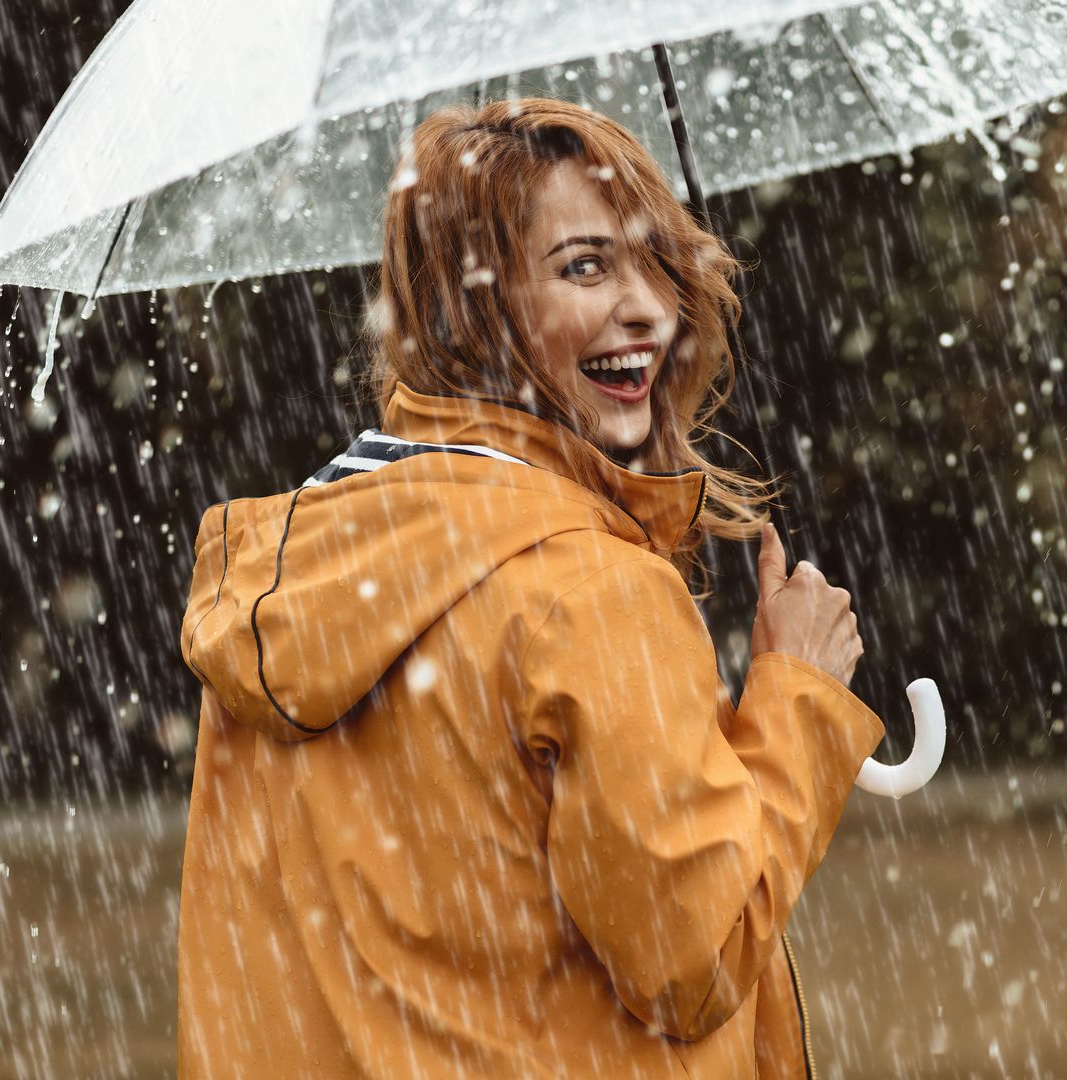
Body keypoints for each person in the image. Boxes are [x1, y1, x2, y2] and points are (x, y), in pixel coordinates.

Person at [174, 97, 883, 1078]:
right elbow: (690, 959)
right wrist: (795, 702)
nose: (648, 308)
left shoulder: (299, 567)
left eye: (657, 263)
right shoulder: (586, 594)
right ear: (474, 309)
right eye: (583, 267)